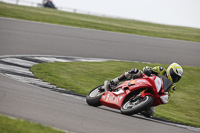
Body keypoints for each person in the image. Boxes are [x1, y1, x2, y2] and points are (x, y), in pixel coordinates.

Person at [104, 62, 183, 117]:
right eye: (174, 75)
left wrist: (164, 97)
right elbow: (148, 68)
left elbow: (167, 96)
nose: (175, 78)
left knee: (151, 113)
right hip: (145, 81)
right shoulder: (161, 70)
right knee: (135, 71)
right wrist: (148, 70)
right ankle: (113, 82)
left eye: (177, 78)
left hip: (153, 94)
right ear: (170, 70)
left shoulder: (172, 87)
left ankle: (137, 106)